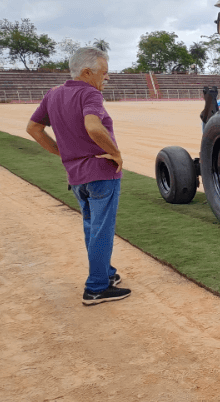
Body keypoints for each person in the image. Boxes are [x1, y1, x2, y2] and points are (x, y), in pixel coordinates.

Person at [26, 47, 131, 305]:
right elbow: (93, 126)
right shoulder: (90, 94)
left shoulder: (53, 95)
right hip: (100, 174)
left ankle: (105, 274)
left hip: (76, 177)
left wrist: (62, 152)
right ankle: (96, 288)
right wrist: (115, 153)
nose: (105, 78)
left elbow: (33, 128)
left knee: (91, 228)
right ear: (87, 72)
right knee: (102, 231)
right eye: (103, 73)